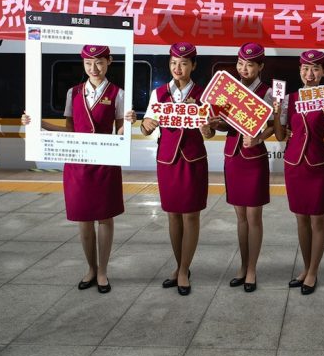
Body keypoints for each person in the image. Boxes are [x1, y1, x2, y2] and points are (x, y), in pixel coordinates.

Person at [22, 45, 135, 293]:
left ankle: (103, 271)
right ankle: (90, 269)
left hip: (105, 162)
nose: (93, 69)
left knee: (105, 218)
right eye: (88, 63)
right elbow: (71, 132)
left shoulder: (118, 94)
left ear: (109, 62)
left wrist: (127, 126)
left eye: (99, 63)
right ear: (82, 64)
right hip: (78, 163)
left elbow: (120, 132)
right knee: (83, 220)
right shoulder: (73, 93)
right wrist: (39, 125)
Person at [141, 42, 215, 296]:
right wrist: (146, 124)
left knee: (191, 216)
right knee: (173, 215)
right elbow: (146, 125)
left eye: (183, 63)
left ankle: (183, 270)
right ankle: (180, 266)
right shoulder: (159, 93)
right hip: (168, 161)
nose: (177, 68)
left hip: (193, 160)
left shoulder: (204, 93)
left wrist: (207, 129)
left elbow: (210, 130)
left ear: (193, 65)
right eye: (173, 63)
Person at [273, 50, 324, 295]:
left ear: (323, 72)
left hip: (317, 165)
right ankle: (305, 267)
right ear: (299, 70)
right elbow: (281, 136)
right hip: (294, 165)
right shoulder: (289, 98)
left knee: (318, 220)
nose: (309, 74)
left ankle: (313, 271)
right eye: (305, 69)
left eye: (315, 69)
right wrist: (276, 113)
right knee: (301, 219)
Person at [217, 43, 275, 290]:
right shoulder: (230, 89)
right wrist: (213, 122)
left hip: (254, 159)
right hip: (233, 157)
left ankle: (252, 269)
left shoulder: (267, 91)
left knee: (254, 216)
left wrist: (260, 138)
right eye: (241, 64)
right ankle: (242, 265)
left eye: (250, 64)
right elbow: (222, 125)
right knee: (240, 217)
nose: (244, 69)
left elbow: (273, 125)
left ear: (260, 66)